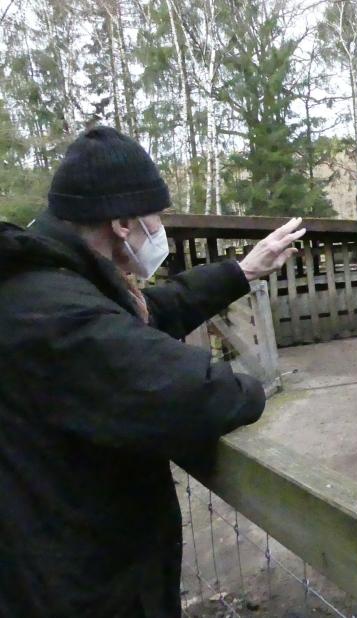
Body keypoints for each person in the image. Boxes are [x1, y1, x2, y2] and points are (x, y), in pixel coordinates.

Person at [0, 126, 306, 617]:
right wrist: (253, 387)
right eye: (156, 218)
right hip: (79, 588)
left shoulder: (45, 284)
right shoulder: (57, 314)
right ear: (122, 222)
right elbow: (202, 393)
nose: (158, 230)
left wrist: (242, 271)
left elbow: (146, 314)